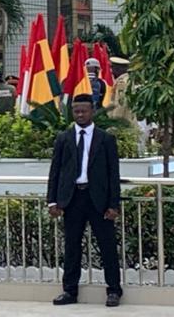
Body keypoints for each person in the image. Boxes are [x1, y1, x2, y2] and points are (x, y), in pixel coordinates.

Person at [48, 94, 122, 308]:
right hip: (72, 199)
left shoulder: (105, 139)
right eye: (76, 111)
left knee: (107, 246)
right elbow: (55, 171)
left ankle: (114, 290)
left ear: (92, 111)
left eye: (84, 110)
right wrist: (52, 200)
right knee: (71, 247)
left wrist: (113, 204)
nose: (80, 114)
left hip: (98, 199)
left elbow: (113, 174)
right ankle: (69, 290)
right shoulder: (64, 138)